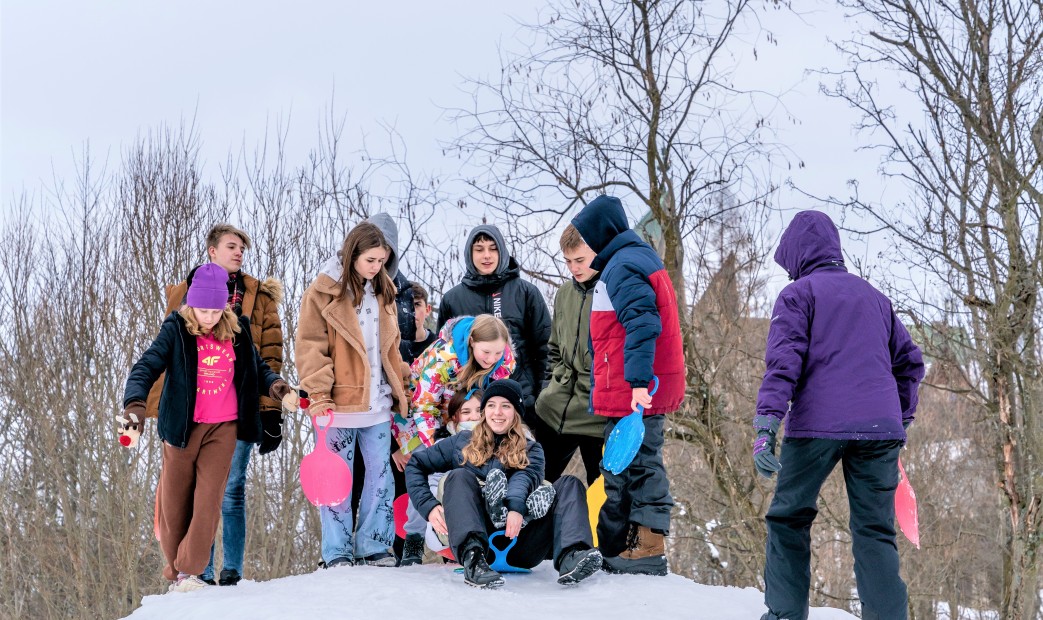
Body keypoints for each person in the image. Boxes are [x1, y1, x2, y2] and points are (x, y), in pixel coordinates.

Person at [753, 210, 925, 620]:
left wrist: (766, 425)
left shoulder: (798, 294)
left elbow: (783, 364)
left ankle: (784, 615)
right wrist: (899, 419)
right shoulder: (875, 298)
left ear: (796, 255)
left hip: (816, 425)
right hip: (880, 429)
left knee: (789, 518)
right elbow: (911, 363)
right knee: (875, 532)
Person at [121, 263, 291, 593]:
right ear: (191, 305)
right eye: (202, 310)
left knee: (209, 500)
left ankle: (189, 571)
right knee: (174, 503)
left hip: (223, 429)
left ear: (225, 306)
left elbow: (258, 370)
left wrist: (277, 388)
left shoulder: (238, 330)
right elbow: (147, 366)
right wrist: (135, 405)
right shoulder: (176, 329)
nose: (209, 317)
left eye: (215, 310)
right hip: (183, 429)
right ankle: (175, 566)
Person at [570, 195, 686, 576]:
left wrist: (637, 384)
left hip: (636, 388)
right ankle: (619, 545)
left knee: (639, 464)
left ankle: (648, 546)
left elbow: (642, 324)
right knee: (625, 465)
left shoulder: (622, 266)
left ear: (601, 234)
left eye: (587, 238)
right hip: (630, 386)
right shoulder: (633, 258)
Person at [405, 379, 602, 588]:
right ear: (484, 411)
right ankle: (474, 561)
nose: (497, 412)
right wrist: (428, 506)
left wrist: (516, 508)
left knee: (569, 483)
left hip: (522, 542)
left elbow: (524, 476)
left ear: (516, 412)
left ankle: (572, 555)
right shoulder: (461, 441)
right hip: (482, 539)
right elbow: (415, 465)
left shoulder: (532, 449)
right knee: (458, 477)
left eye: (505, 406)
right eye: (491, 405)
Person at [295, 221, 411, 568]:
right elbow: (310, 346)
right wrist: (318, 392)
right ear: (352, 255)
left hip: (377, 404)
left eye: (382, 260)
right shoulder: (323, 291)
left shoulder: (384, 290)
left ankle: (374, 546)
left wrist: (402, 382)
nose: (377, 267)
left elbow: (390, 347)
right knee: (336, 482)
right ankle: (337, 552)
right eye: (370, 260)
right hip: (337, 405)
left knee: (380, 479)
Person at [436, 224, 551, 424]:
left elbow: (545, 348)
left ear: (502, 251)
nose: (486, 255)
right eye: (479, 250)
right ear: (470, 254)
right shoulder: (452, 299)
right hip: (472, 406)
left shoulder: (526, 292)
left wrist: (541, 397)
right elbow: (442, 356)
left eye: (493, 248)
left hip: (520, 401)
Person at [533, 224, 606, 484]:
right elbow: (554, 349)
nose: (574, 268)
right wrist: (547, 389)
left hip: (595, 415)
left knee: (602, 497)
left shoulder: (612, 291)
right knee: (534, 485)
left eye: (580, 260)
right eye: (567, 261)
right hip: (555, 407)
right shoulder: (564, 293)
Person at [393, 314, 516, 454]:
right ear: (472, 341)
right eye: (486, 352)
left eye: (498, 353)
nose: (491, 359)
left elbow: (498, 403)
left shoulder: (503, 363)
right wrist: (439, 449)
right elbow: (424, 407)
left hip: (465, 418)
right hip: (416, 420)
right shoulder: (443, 359)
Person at [399, 388, 483, 566]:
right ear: (454, 418)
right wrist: (433, 509)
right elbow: (429, 483)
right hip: (447, 513)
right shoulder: (445, 445)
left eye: (479, 411)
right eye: (466, 412)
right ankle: (414, 538)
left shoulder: (497, 440)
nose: (474, 417)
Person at [406, 281, 437, 362]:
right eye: (407, 304)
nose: (412, 311)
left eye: (417, 305)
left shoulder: (438, 346)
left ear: (427, 310)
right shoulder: (391, 345)